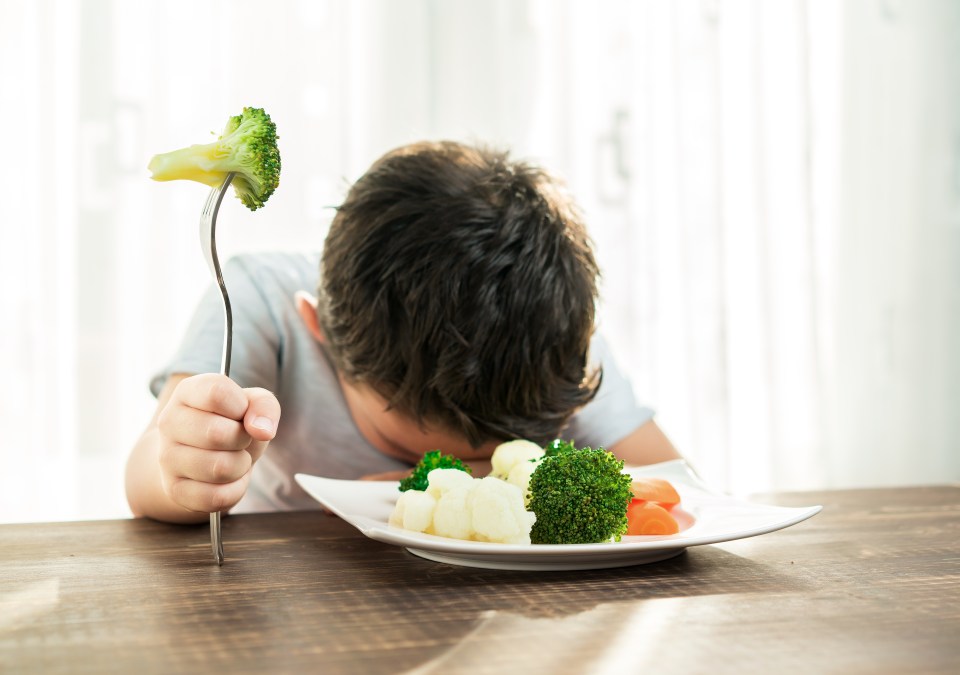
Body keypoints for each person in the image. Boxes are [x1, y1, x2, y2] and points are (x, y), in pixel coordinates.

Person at [125, 140, 680, 524]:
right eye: (403, 451)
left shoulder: (551, 338)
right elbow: (145, 477)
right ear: (316, 325)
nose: (430, 474)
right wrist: (182, 466)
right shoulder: (258, 302)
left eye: (499, 450)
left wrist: (475, 483)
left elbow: (672, 487)